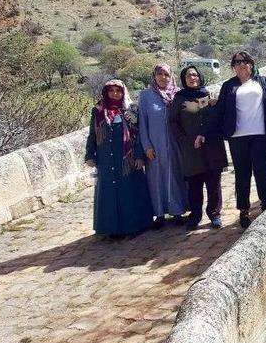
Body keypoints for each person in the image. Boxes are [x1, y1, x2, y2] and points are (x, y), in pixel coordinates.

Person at [197, 51, 266, 229]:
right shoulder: (228, 86)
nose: (242, 64)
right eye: (237, 62)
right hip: (237, 138)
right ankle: (244, 210)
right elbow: (219, 111)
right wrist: (204, 132)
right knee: (242, 175)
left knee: (263, 172)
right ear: (233, 66)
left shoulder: (264, 83)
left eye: (245, 61)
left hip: (261, 135)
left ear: (251, 64)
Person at [84, 79, 154, 238]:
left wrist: (138, 155)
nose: (115, 94)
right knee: (108, 192)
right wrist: (90, 154)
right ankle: (111, 228)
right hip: (106, 158)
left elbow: (137, 135)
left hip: (127, 159)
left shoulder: (131, 110)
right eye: (111, 91)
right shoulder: (98, 111)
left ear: (123, 92)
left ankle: (134, 227)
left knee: (129, 192)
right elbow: (93, 135)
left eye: (118, 90)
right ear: (106, 92)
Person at [169, 66, 228, 231]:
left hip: (212, 145)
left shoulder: (209, 95)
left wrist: (216, 105)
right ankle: (195, 216)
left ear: (200, 77)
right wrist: (183, 140)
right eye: (188, 75)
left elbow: (217, 118)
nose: (192, 77)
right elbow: (173, 122)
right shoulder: (179, 98)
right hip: (190, 148)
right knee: (194, 184)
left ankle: (215, 214)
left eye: (195, 74)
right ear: (183, 79)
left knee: (213, 183)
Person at [139, 63, 188, 228]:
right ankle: (159, 214)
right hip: (155, 145)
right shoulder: (146, 96)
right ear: (154, 76)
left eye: (166, 74)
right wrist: (147, 146)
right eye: (160, 74)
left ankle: (177, 211)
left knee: (175, 176)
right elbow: (142, 124)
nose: (163, 77)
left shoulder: (178, 94)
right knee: (155, 179)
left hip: (175, 145)